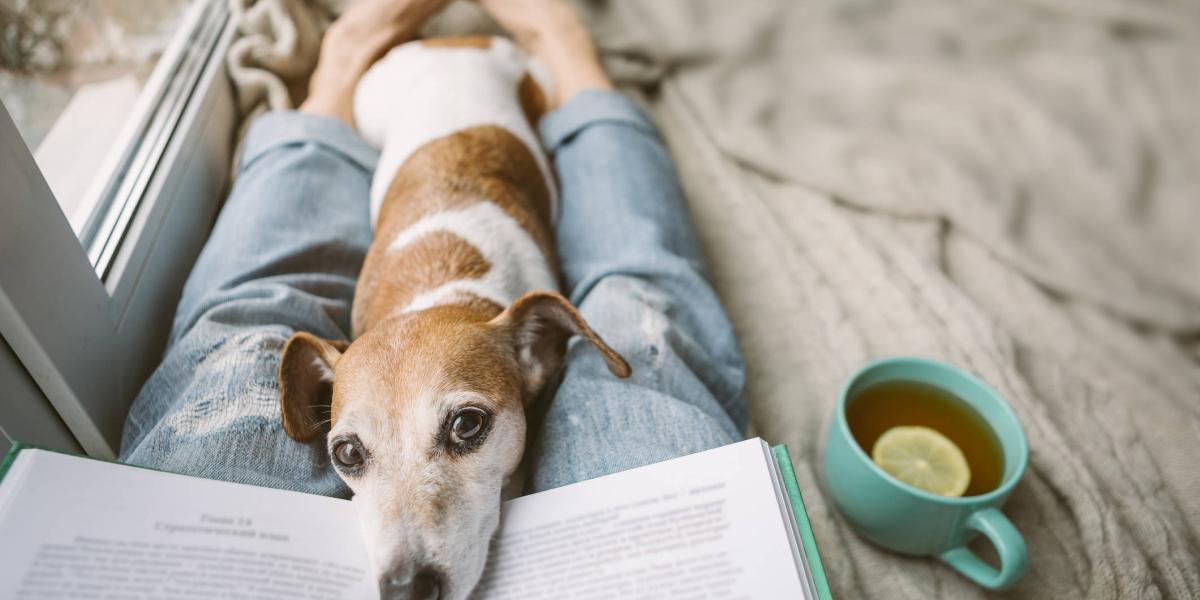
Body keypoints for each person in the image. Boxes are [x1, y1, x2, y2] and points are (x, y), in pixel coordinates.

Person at [120, 0, 747, 499]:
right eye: (350, 453)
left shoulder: (520, 342)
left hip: (505, 79)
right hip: (409, 97)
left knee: (249, 317)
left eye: (465, 426)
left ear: (538, 348)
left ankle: (540, 41)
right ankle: (560, 55)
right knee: (638, 293)